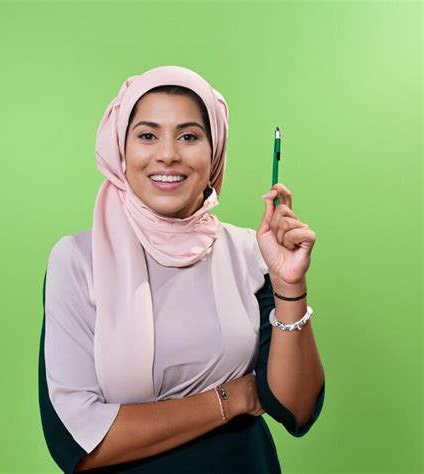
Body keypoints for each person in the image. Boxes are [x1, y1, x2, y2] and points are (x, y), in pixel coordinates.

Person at [38, 65, 325, 473]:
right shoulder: (78, 260)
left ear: (215, 155)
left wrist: (289, 284)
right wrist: (230, 400)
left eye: (189, 136)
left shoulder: (249, 252)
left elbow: (296, 408)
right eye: (147, 135)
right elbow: (78, 442)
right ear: (121, 151)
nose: (168, 153)